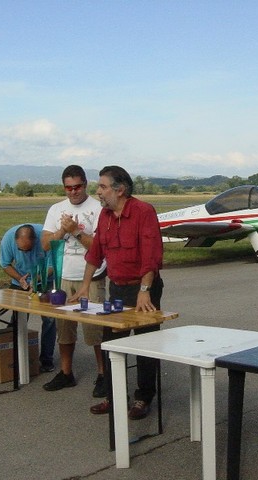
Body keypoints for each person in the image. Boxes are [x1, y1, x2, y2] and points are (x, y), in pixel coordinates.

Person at [70, 165, 164, 420]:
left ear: (120, 190)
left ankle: (143, 398)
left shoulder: (144, 212)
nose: (98, 192)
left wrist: (145, 291)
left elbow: (151, 257)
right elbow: (95, 253)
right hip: (118, 288)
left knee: (145, 345)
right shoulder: (105, 216)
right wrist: (85, 285)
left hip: (144, 286)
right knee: (111, 343)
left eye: (103, 187)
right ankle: (114, 398)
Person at [41, 165, 107, 397]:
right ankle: (65, 372)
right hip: (64, 275)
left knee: (95, 329)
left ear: (85, 184)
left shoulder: (99, 208)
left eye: (77, 186)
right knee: (64, 328)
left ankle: (103, 374)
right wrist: (62, 230)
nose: (73, 192)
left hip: (92, 275)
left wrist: (77, 231)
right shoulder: (56, 209)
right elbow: (46, 244)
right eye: (68, 188)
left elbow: (100, 247)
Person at [0, 223, 56, 372]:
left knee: (49, 319)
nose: (24, 253)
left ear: (35, 240)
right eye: (20, 250)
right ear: (15, 241)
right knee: (18, 317)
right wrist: (20, 279)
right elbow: (5, 264)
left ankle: (46, 360)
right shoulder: (7, 239)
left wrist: (36, 279)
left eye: (28, 249)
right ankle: (12, 358)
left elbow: (53, 266)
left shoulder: (47, 237)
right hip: (22, 279)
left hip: (45, 280)